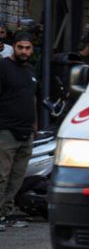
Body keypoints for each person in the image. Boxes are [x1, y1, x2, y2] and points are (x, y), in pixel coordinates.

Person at [0, 32, 39, 231]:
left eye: (28, 48)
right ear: (13, 47)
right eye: (20, 47)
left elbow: (31, 99)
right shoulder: (3, 67)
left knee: (17, 177)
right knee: (2, 175)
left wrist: (34, 125)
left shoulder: (31, 70)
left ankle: (5, 214)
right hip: (6, 131)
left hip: (26, 132)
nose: (24, 51)